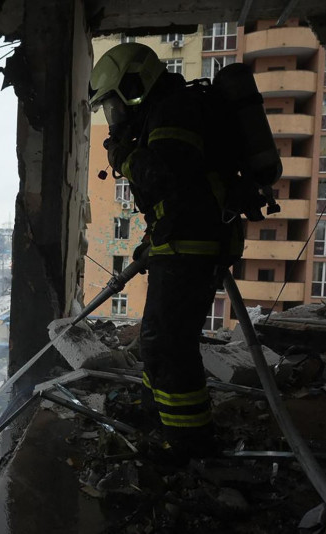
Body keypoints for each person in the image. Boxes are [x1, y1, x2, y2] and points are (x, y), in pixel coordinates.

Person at [88, 43, 248, 460]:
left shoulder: (174, 111)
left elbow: (164, 176)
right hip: (182, 238)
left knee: (172, 343)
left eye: (113, 105)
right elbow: (178, 194)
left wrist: (124, 156)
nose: (113, 117)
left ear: (134, 86)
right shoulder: (165, 112)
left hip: (194, 243)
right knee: (157, 339)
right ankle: (155, 413)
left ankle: (188, 443)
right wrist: (152, 240)